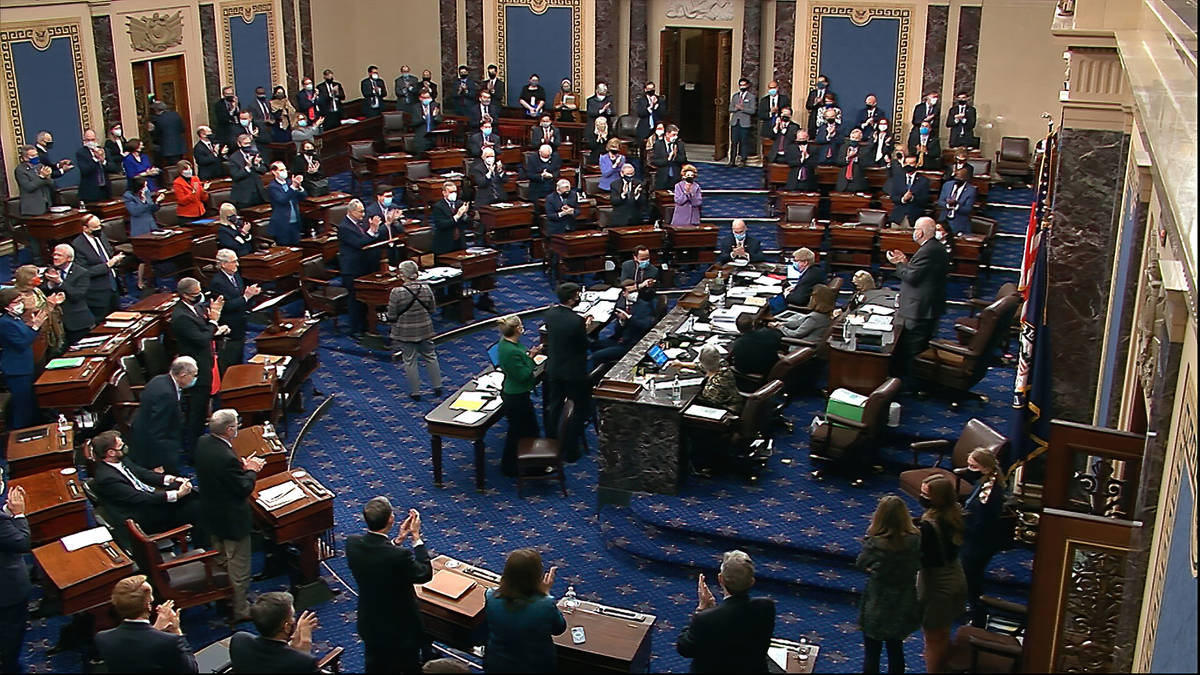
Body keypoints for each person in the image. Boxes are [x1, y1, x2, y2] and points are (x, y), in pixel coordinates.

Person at [194, 409, 267, 626]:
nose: (238, 427)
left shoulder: (203, 442)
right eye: (236, 424)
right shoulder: (226, 457)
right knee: (239, 565)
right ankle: (240, 608)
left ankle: (225, 597)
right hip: (232, 519)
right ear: (229, 430)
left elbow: (223, 477)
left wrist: (239, 469)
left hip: (211, 513)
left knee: (222, 557)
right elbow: (243, 488)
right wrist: (251, 470)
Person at [345, 497, 433, 674]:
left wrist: (398, 540)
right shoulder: (399, 556)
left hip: (370, 623)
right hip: (400, 629)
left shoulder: (352, 543)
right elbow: (424, 573)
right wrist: (416, 537)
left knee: (375, 665)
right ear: (391, 519)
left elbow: (378, 558)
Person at [90, 430, 207, 546]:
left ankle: (206, 518)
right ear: (111, 452)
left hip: (148, 499)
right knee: (196, 508)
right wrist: (177, 495)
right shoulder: (107, 478)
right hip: (142, 515)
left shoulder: (121, 460)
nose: (125, 446)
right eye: (121, 446)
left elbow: (143, 473)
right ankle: (202, 545)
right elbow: (140, 498)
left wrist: (171, 479)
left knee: (187, 491)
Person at [676, 550, 775, 672]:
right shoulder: (766, 607)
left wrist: (702, 609)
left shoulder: (704, 619)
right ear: (752, 582)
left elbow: (684, 648)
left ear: (720, 579)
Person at [856, 496, 921, 674]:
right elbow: (920, 564)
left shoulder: (875, 543)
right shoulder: (915, 540)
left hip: (878, 600)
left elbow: (861, 564)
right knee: (896, 649)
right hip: (903, 599)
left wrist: (875, 572)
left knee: (872, 652)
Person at [484, 549, 566, 673]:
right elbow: (559, 628)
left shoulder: (490, 595)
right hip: (534, 668)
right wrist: (545, 593)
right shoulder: (545, 605)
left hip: (496, 664)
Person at [886, 217, 949, 378]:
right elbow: (919, 272)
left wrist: (898, 264)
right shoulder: (933, 247)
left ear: (920, 232)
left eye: (915, 229)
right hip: (925, 305)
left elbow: (913, 277)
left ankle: (905, 382)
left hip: (919, 309)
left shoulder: (928, 250)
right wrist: (905, 261)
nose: (914, 232)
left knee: (909, 348)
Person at [917, 475, 968, 673]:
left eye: (925, 494)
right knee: (942, 634)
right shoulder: (956, 512)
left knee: (932, 639)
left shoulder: (930, 526)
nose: (921, 497)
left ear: (937, 498)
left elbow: (921, 557)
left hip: (937, 586)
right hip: (955, 575)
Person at [96, 575, 197, 673]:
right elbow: (192, 670)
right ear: (149, 605)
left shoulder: (103, 638)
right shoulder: (170, 642)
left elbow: (137, 654)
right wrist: (176, 630)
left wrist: (156, 630)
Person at [172, 278, 230, 444]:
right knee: (196, 412)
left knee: (202, 406)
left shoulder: (194, 308)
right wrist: (214, 321)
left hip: (205, 362)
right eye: (196, 294)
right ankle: (192, 449)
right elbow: (202, 338)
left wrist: (213, 321)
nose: (200, 296)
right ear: (185, 295)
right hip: (195, 369)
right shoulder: (181, 316)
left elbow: (203, 329)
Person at [543, 283, 591, 462]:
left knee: (554, 406)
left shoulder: (550, 314)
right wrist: (585, 327)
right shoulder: (576, 321)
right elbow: (583, 345)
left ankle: (552, 442)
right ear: (572, 298)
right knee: (576, 409)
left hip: (554, 369)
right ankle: (571, 450)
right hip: (573, 372)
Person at [960, 449, 1008, 626]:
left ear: (986, 468)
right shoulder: (987, 481)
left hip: (978, 543)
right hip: (976, 540)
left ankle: (978, 616)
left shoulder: (989, 493)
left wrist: (960, 525)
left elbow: (980, 521)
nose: (969, 469)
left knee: (972, 579)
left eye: (973, 466)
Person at [388, 261, 443, 400]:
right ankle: (437, 387)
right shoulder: (426, 288)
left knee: (409, 361)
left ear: (402, 275)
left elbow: (392, 315)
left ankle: (416, 392)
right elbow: (432, 309)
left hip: (405, 332)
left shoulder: (396, 292)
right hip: (425, 329)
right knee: (431, 356)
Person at [128, 356, 195, 472]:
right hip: (157, 447)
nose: (195, 378)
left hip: (145, 434)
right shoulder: (167, 394)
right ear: (183, 375)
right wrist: (157, 463)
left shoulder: (159, 379)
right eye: (194, 375)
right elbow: (157, 430)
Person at [495, 315, 542, 476]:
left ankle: (520, 465)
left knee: (522, 431)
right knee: (522, 432)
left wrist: (529, 355)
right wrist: (531, 358)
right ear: (516, 329)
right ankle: (517, 467)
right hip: (516, 397)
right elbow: (523, 375)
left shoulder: (508, 343)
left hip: (517, 394)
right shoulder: (511, 351)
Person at [229, 592, 321, 673]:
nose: (295, 620)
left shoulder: (239, 640)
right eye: (293, 616)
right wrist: (305, 650)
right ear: (286, 627)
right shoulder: (304, 662)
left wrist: (292, 649)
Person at [338, 199, 386, 338]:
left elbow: (369, 239)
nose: (363, 214)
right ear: (351, 212)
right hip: (352, 269)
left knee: (365, 300)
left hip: (364, 266)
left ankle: (366, 327)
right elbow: (359, 243)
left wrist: (374, 230)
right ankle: (355, 330)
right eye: (361, 212)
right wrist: (372, 230)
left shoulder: (360, 223)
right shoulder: (344, 227)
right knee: (354, 300)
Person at [210, 249, 262, 371]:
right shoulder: (217, 282)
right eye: (234, 262)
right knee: (233, 356)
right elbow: (225, 306)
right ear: (223, 264)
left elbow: (240, 294)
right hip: (230, 324)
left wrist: (250, 294)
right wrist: (246, 297)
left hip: (240, 319)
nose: (237, 264)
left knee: (241, 350)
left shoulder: (236, 275)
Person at [0, 288, 44, 429]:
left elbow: (25, 335)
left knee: (28, 404)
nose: (21, 304)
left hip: (25, 366)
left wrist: (32, 326)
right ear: (7, 306)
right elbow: (21, 343)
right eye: (16, 302)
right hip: (16, 370)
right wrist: (35, 326)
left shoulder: (15, 318)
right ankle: (17, 436)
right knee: (22, 407)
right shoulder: (4, 323)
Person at [72, 215, 123, 324]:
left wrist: (116, 260)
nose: (99, 229)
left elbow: (107, 254)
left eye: (100, 226)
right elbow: (85, 272)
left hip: (113, 285)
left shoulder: (101, 236)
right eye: (95, 227)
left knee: (119, 318)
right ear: (85, 229)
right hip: (98, 292)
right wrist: (108, 265)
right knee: (103, 322)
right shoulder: (78, 245)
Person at [591, 286, 657, 366]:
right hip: (620, 339)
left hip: (632, 345)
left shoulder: (644, 306)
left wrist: (629, 318)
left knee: (596, 356)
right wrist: (622, 321)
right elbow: (618, 331)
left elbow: (646, 325)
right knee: (593, 344)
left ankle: (598, 375)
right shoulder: (623, 306)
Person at [43, 244, 94, 347]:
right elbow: (42, 291)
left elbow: (78, 295)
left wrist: (60, 282)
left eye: (59, 255)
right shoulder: (50, 271)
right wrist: (50, 284)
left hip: (77, 322)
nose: (55, 257)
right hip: (56, 323)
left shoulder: (81, 273)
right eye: (54, 254)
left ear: (69, 258)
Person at [12, 265, 64, 359]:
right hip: (33, 337)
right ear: (27, 279)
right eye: (37, 275)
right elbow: (34, 314)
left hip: (48, 333)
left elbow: (45, 307)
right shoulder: (18, 296)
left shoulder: (36, 290)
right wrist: (50, 305)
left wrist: (54, 302)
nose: (40, 278)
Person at [266, 161, 307, 245]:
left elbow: (303, 196)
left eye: (285, 169)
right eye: (281, 170)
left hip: (295, 222)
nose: (284, 172)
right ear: (274, 172)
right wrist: (293, 187)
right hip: (282, 224)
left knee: (297, 248)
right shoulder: (273, 187)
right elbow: (282, 200)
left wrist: (299, 187)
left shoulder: (290, 182)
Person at [730, 313, 782, 378]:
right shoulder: (768, 332)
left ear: (738, 329)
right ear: (753, 324)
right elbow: (779, 339)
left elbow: (740, 367)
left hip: (753, 372)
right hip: (773, 366)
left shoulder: (738, 344)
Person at [886, 155, 931, 227]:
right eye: (906, 163)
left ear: (916, 164)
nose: (908, 165)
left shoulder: (923, 181)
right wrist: (903, 199)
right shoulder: (897, 178)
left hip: (914, 217)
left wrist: (912, 198)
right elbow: (893, 197)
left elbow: (925, 199)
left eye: (911, 163)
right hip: (898, 217)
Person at [228, 134, 269, 208]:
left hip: (258, 193)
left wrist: (256, 165)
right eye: (245, 143)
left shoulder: (254, 153)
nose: (248, 145)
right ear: (239, 144)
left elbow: (264, 170)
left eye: (249, 143)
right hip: (244, 195)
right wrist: (248, 168)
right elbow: (236, 176)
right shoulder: (233, 158)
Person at [13, 144, 55, 216]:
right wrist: (41, 176)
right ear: (25, 158)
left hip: (46, 205)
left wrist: (47, 177)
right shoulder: (20, 170)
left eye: (36, 155)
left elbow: (51, 183)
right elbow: (29, 187)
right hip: (32, 209)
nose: (36, 157)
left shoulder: (40, 166)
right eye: (33, 156)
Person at [430, 182, 471, 255]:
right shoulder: (438, 207)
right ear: (444, 193)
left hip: (459, 242)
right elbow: (441, 225)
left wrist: (465, 214)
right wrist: (457, 216)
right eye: (451, 192)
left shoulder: (459, 203)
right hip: (445, 243)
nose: (454, 194)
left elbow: (467, 222)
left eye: (455, 191)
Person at [938, 165, 978, 234]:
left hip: (959, 221)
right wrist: (948, 205)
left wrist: (956, 205)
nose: (957, 181)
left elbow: (968, 209)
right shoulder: (947, 185)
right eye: (955, 179)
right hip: (944, 219)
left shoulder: (971, 190)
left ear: (965, 179)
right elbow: (940, 201)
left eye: (959, 180)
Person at [76, 131, 112, 203]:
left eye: (92, 140)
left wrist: (103, 161)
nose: (90, 142)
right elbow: (85, 170)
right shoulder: (81, 153)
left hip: (105, 190)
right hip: (90, 192)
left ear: (96, 140)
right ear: (84, 141)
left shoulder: (104, 151)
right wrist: (95, 159)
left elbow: (114, 168)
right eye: (88, 140)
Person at [728, 77, 755, 166]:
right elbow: (730, 108)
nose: (742, 86)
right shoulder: (735, 96)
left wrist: (743, 109)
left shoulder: (751, 97)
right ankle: (732, 160)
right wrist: (735, 108)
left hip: (745, 123)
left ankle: (743, 160)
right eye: (741, 85)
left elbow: (752, 111)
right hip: (735, 123)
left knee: (744, 143)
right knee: (734, 142)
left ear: (747, 85)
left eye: (744, 85)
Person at [148, 100, 185, 166]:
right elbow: (182, 129)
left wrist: (151, 130)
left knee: (170, 168)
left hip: (166, 149)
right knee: (180, 165)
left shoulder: (157, 119)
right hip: (179, 147)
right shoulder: (175, 115)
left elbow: (156, 134)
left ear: (156, 110)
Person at [651, 125, 687, 190]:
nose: (675, 137)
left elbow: (683, 159)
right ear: (667, 134)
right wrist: (668, 159)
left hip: (676, 175)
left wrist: (675, 156)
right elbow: (654, 161)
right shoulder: (658, 144)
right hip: (663, 175)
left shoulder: (679, 144)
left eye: (676, 135)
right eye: (673, 135)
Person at [757, 81, 788, 154]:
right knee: (766, 150)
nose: (772, 90)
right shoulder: (764, 100)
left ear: (777, 88)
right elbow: (760, 115)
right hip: (767, 129)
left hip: (780, 129)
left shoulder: (784, 99)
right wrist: (770, 113)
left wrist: (778, 111)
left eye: (774, 87)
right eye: (770, 88)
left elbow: (787, 114)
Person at [835, 128, 868, 192]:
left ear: (860, 139)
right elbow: (838, 162)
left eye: (856, 138)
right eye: (853, 137)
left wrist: (855, 158)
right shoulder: (843, 148)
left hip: (857, 183)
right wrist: (847, 157)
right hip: (843, 183)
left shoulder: (864, 150)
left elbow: (865, 164)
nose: (854, 139)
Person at [412, 89, 442, 155]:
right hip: (422, 136)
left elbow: (439, 120)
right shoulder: (415, 108)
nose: (426, 99)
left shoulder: (435, 105)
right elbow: (414, 123)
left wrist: (435, 116)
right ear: (420, 98)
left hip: (434, 135)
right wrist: (424, 118)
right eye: (424, 98)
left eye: (428, 97)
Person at [584, 96, 613, 161]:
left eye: (603, 124)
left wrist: (607, 109)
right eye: (600, 124)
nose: (601, 125)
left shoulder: (609, 100)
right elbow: (590, 112)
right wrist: (602, 110)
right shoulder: (591, 100)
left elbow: (613, 113)